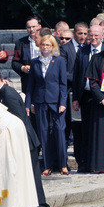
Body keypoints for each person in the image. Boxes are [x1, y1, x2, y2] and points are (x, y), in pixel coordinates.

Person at [0, 68, 51, 207]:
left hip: (24, 141)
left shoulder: (8, 95)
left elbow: (18, 122)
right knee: (28, 177)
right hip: (22, 141)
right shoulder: (2, 93)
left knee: (29, 177)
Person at [26, 35, 68, 176]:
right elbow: (30, 85)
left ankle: (63, 164)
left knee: (59, 130)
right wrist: (29, 104)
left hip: (56, 101)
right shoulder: (35, 62)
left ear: (53, 47)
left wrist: (63, 103)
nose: (45, 47)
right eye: (43, 44)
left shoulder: (60, 61)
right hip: (40, 101)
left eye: (48, 45)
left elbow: (63, 84)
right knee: (43, 133)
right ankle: (47, 164)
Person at [72, 25, 104, 173]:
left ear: (102, 36)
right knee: (85, 131)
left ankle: (100, 162)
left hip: (102, 96)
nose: (94, 38)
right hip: (85, 95)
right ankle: (85, 163)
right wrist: (76, 98)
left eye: (97, 36)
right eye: (92, 36)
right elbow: (77, 74)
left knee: (99, 130)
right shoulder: (83, 51)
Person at [84, 29, 104, 172]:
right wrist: (103, 99)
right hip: (101, 104)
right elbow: (92, 83)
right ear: (103, 40)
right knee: (101, 137)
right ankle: (102, 166)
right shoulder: (96, 58)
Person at [12, 16, 42, 94]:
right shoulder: (20, 43)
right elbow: (14, 63)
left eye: (33, 27)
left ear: (39, 27)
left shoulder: (48, 41)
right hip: (28, 82)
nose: (31, 29)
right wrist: (23, 68)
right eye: (29, 27)